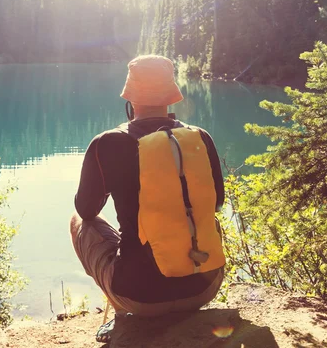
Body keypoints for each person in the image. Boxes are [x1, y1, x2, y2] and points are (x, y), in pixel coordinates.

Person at [69, 55, 225, 342]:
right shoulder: (200, 137)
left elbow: (86, 210)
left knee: (78, 220)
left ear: (130, 98)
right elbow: (215, 205)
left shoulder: (107, 143)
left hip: (140, 298)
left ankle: (121, 313)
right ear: (170, 97)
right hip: (205, 288)